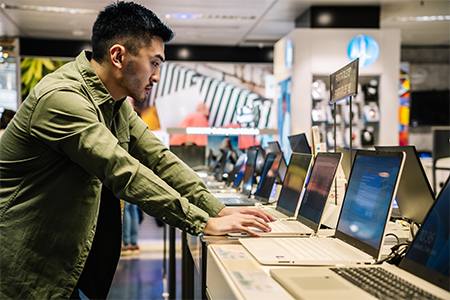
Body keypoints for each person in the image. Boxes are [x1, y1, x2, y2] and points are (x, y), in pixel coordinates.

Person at [0, 2, 274, 299]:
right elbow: (122, 171)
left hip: (69, 263)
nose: (156, 76)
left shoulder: (115, 104)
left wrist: (218, 210)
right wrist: (203, 222)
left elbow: (159, 159)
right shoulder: (62, 98)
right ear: (118, 56)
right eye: (154, 63)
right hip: (26, 268)